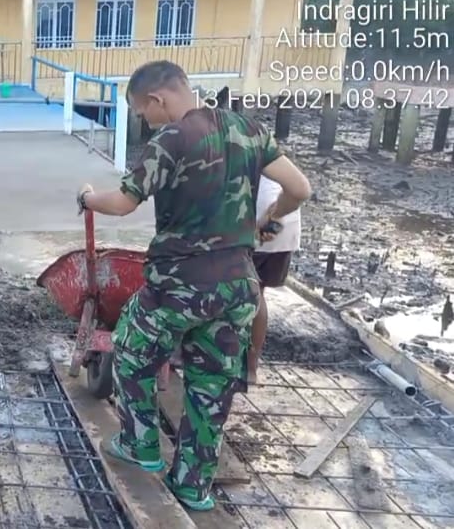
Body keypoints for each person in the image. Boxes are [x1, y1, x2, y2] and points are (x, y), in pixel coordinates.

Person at [76, 60, 311, 511]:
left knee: (130, 348)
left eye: (143, 113)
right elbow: (299, 187)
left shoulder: (170, 139)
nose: (146, 122)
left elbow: (124, 202)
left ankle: (140, 444)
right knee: (212, 385)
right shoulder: (249, 130)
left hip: (179, 285)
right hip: (238, 287)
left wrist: (88, 198)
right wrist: (267, 219)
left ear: (157, 99)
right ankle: (193, 485)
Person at [247, 174, 302, 384]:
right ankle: (251, 368)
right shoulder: (276, 154)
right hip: (285, 223)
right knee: (258, 293)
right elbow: (298, 190)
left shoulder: (233, 147)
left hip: (262, 220)